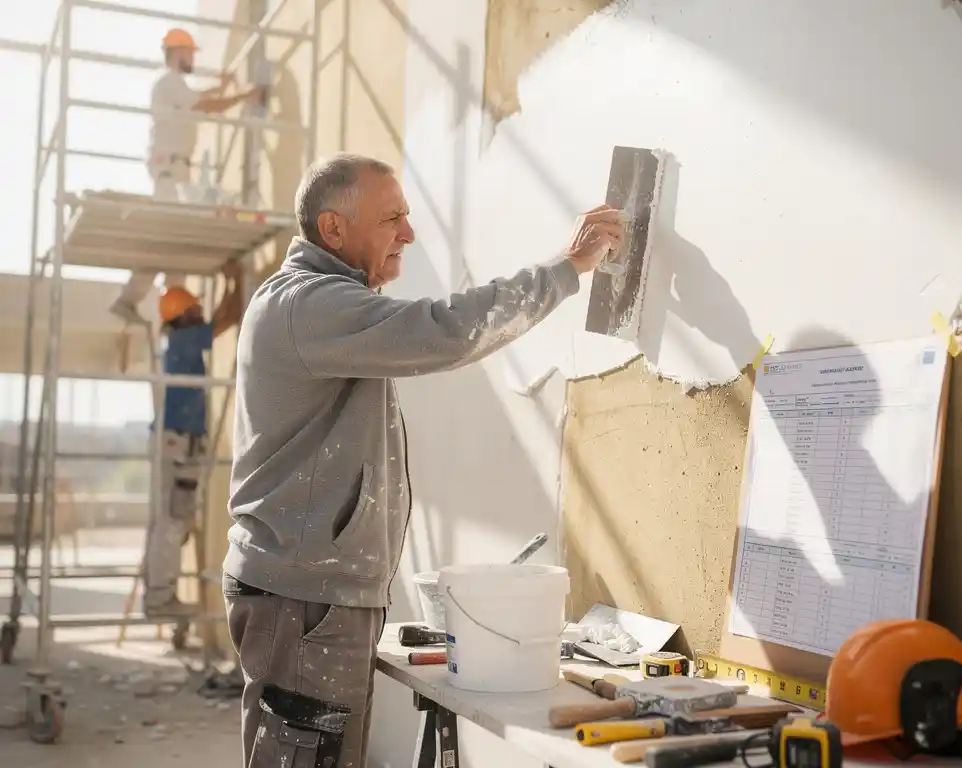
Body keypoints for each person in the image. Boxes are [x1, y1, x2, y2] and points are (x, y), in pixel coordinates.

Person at [222, 152, 624, 767]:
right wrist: (569, 268)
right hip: (302, 596)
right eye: (392, 218)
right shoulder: (311, 305)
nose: (408, 233)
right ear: (333, 229)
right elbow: (446, 329)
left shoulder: (318, 307)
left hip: (310, 593)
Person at [110, 27, 264, 326]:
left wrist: (221, 89)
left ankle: (169, 311)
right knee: (164, 240)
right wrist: (245, 95)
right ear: (177, 53)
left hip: (173, 171)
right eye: (190, 53)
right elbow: (203, 106)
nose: (192, 58)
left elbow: (198, 99)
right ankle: (128, 298)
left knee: (172, 246)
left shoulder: (172, 86)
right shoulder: (169, 81)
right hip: (170, 172)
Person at [143, 261, 243, 618]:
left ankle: (158, 595)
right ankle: (158, 599)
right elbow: (226, 320)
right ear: (183, 315)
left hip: (175, 439)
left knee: (171, 520)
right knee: (173, 520)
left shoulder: (174, 341)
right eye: (195, 306)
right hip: (178, 442)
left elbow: (219, 320)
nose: (200, 310)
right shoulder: (183, 339)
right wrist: (235, 283)